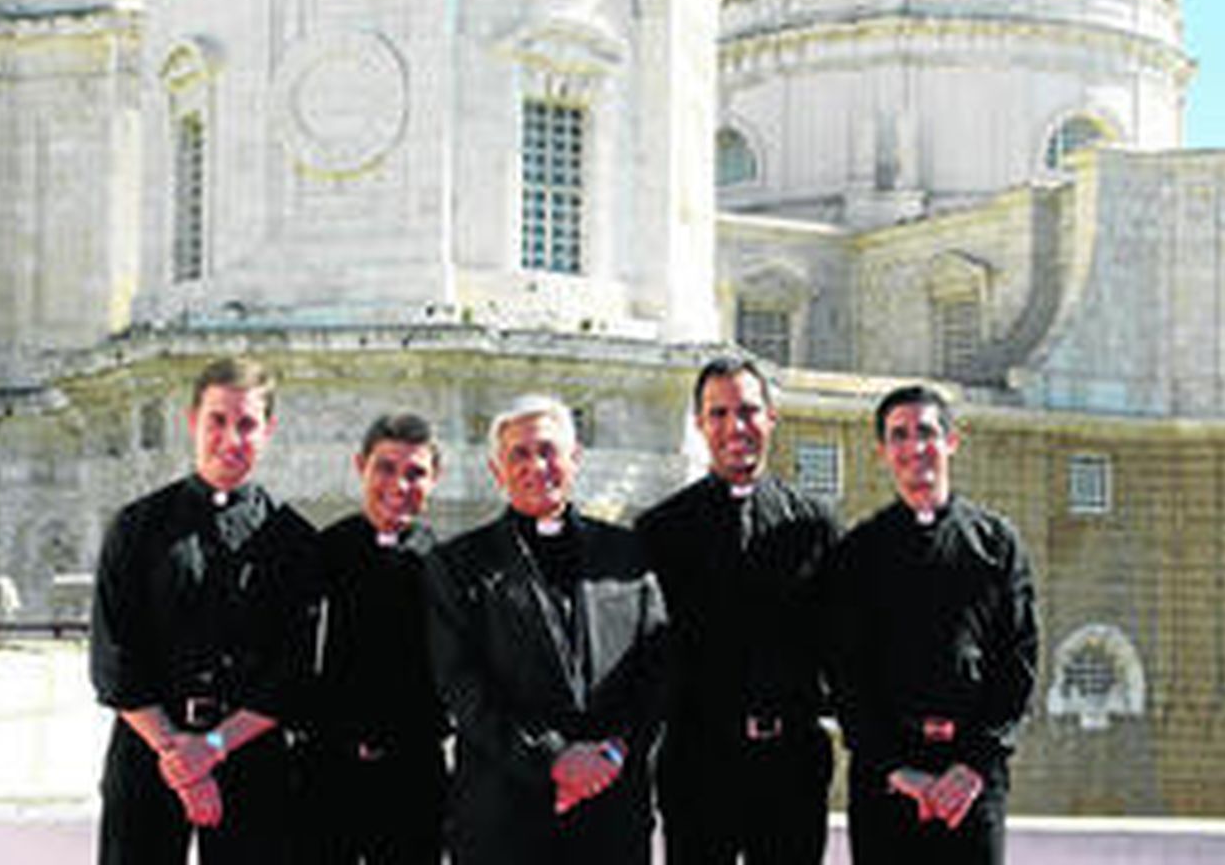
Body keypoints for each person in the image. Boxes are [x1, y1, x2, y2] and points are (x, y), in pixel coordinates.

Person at [425, 395, 667, 865]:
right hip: (503, 818)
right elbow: (463, 687)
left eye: (549, 450)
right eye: (518, 453)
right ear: (498, 471)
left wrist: (613, 754)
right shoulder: (458, 566)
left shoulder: (629, 554)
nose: (536, 465)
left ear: (574, 460)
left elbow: (657, 672)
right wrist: (554, 759)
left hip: (610, 815)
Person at [89, 356, 312, 864]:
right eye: (217, 420)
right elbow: (114, 655)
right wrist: (180, 758)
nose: (231, 437)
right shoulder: (138, 526)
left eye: (247, 424)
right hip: (148, 751)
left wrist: (211, 748)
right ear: (192, 422)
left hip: (250, 755)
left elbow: (293, 668)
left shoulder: (293, 540)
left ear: (268, 431)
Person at [635, 356, 841, 864]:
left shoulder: (816, 527)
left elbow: (844, 644)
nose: (736, 428)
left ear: (772, 418)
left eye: (748, 412)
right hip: (698, 764)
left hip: (792, 763)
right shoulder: (660, 531)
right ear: (700, 424)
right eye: (719, 414)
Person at [823, 384, 1038, 865]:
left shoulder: (996, 543)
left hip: (973, 780)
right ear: (882, 452)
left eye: (927, 432)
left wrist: (974, 765)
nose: (914, 447)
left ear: (951, 442)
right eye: (899, 435)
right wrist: (899, 771)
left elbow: (1018, 661)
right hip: (888, 779)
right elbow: (845, 675)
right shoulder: (859, 552)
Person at [288, 413, 449, 864]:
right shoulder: (320, 553)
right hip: (326, 770)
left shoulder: (446, 568)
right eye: (385, 468)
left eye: (416, 472)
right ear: (361, 466)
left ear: (435, 478)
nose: (399, 485)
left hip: (413, 774)